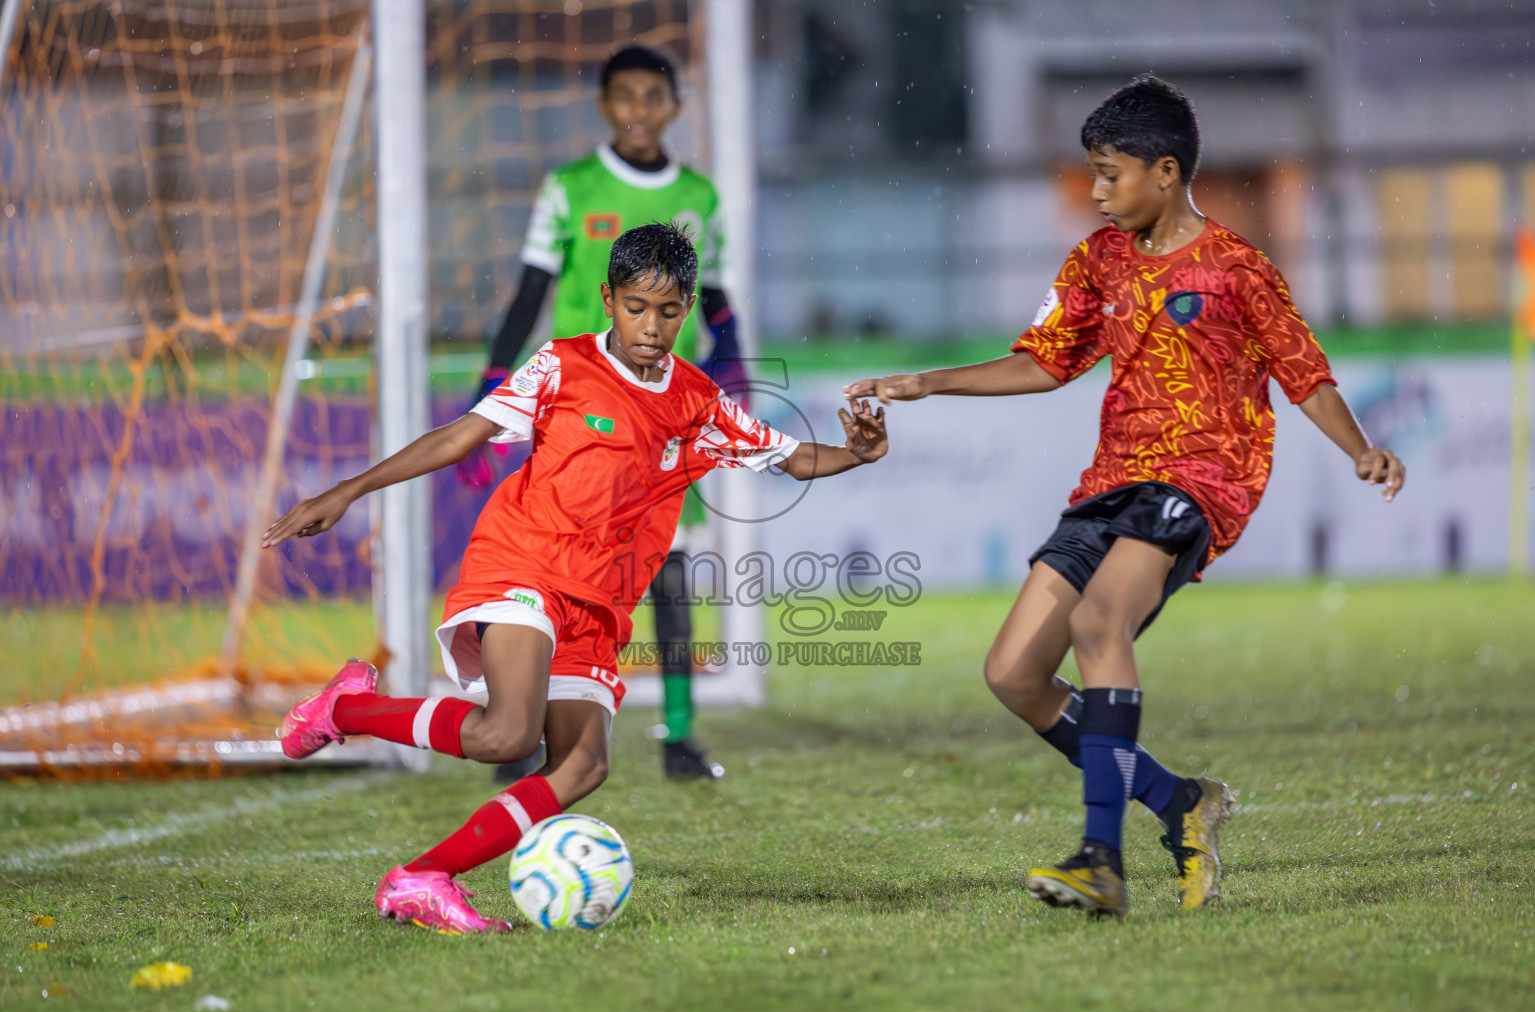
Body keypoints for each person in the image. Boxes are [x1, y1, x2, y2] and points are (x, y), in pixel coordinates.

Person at [845, 76, 1404, 918]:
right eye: (1092, 175)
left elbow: (1304, 374)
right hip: (1111, 481)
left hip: (1199, 479)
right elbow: (1043, 361)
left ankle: (1099, 859)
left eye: (1110, 174)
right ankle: (1180, 803)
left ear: (1167, 171)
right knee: (1013, 674)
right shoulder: (1096, 261)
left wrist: (1362, 449)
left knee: (1097, 622)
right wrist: (927, 383)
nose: (1097, 192)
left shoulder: (1237, 270)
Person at [263, 223, 888, 934]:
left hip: (598, 603)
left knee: (584, 764)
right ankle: (345, 712)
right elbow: (459, 436)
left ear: (687, 308)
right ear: (607, 299)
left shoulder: (696, 402)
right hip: (522, 562)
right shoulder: (562, 366)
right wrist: (348, 488)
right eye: (634, 307)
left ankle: (421, 877)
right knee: (506, 737)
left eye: (668, 311)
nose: (650, 327)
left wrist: (856, 454)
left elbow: (788, 455)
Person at [461, 44, 741, 781]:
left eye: (654, 97)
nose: (640, 111)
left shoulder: (700, 197)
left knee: (669, 573)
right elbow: (529, 289)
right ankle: (518, 729)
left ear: (675, 106)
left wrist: (732, 349)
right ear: (605, 105)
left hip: (661, 412)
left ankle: (679, 736)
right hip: (575, 409)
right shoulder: (571, 186)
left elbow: (712, 292)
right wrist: (495, 375)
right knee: (550, 572)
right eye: (626, 96)